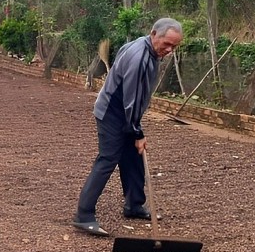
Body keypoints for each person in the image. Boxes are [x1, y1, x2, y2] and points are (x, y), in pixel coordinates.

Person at [72, 17, 184, 236]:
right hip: (112, 113)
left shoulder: (146, 48)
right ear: (154, 34)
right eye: (167, 44)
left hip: (125, 112)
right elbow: (129, 100)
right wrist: (137, 132)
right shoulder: (139, 58)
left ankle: (133, 205)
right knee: (108, 159)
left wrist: (135, 129)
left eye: (174, 46)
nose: (170, 50)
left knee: (133, 157)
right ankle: (83, 215)